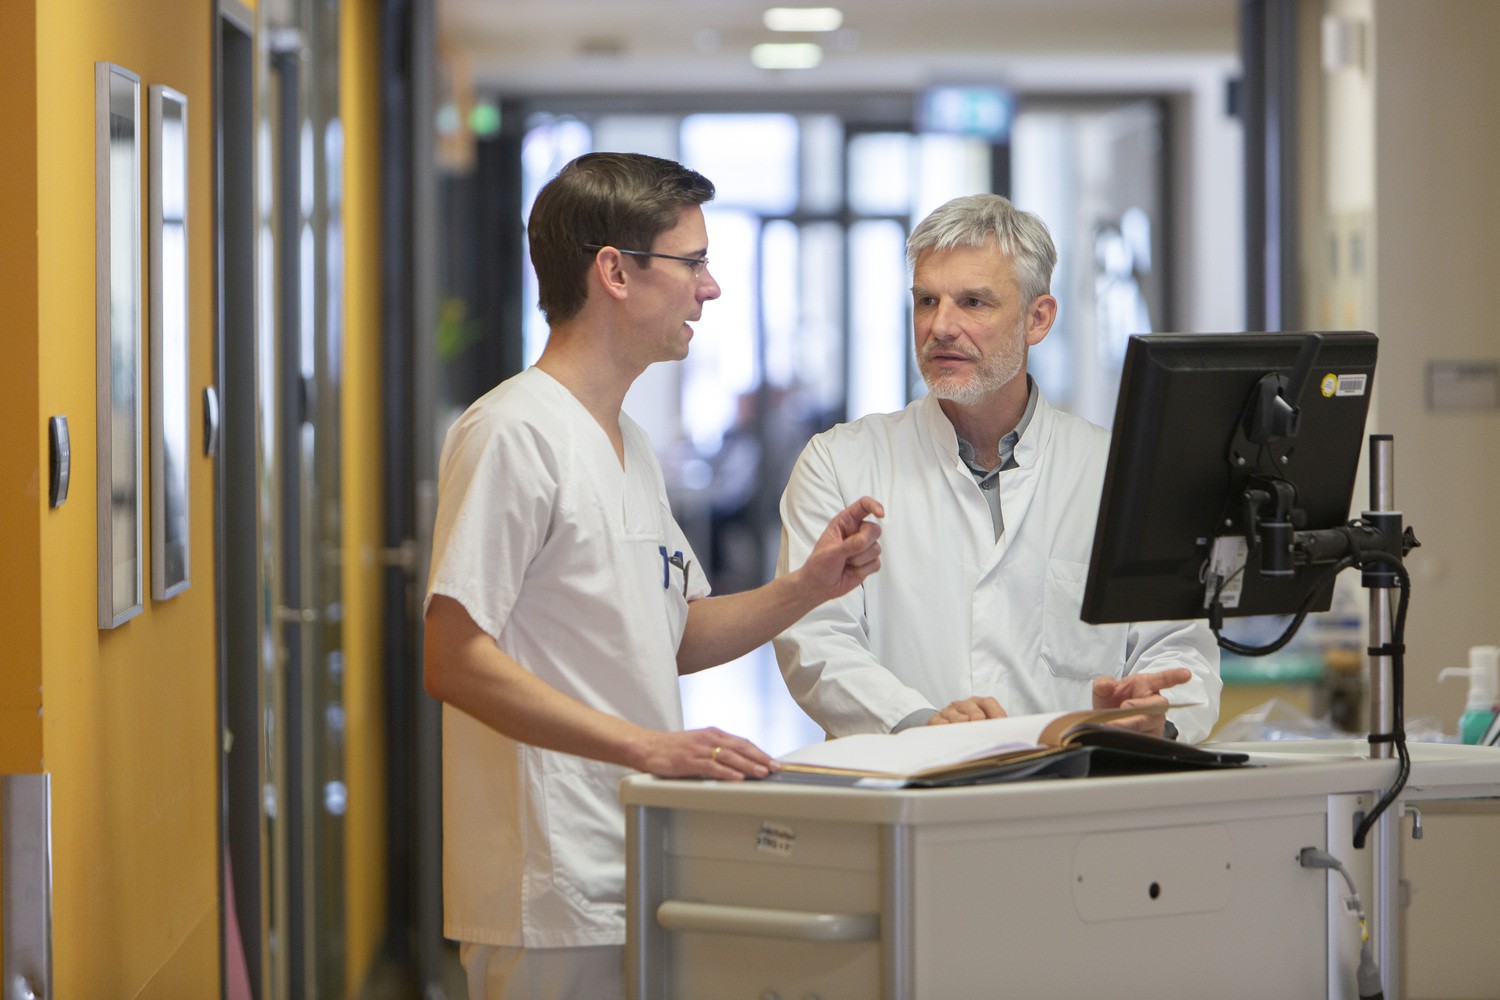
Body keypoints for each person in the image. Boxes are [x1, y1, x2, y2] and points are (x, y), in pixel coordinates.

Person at [422, 152, 883, 1000]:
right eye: (693, 262)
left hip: (633, 859)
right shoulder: (512, 434)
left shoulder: (628, 444)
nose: (709, 289)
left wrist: (807, 586)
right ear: (615, 273)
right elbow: (453, 658)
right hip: (549, 887)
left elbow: (669, 635)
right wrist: (649, 748)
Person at [773, 193, 1220, 743]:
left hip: (1072, 794)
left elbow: (1179, 646)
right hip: (908, 790)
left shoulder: (1121, 474)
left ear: (1038, 318)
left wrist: (1157, 717)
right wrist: (919, 722)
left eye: (974, 303)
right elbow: (814, 640)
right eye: (926, 300)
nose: (941, 326)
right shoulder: (839, 463)